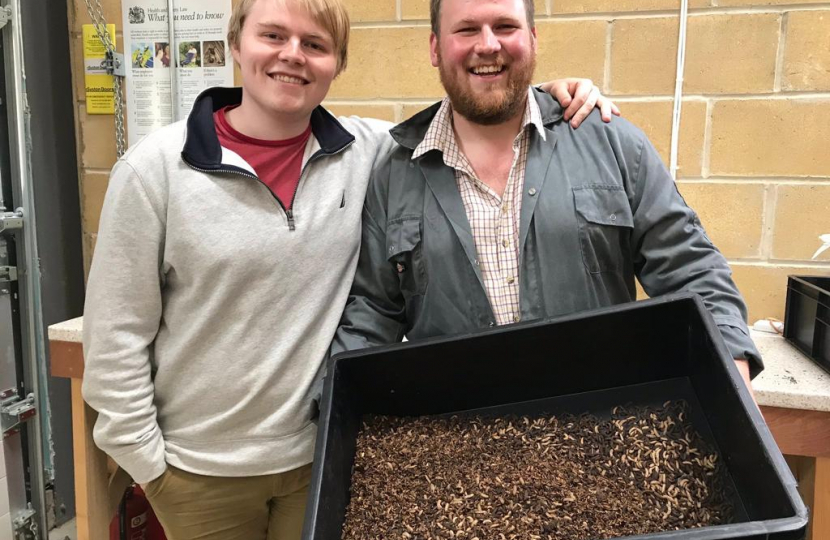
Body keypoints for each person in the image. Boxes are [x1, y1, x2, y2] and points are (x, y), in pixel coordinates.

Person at [81, 0, 618, 538]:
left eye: (315, 44)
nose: (293, 56)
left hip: (323, 455)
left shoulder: (373, 152)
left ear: (337, 63)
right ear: (236, 44)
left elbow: (472, 111)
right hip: (199, 473)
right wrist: (149, 465)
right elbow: (115, 335)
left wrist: (548, 94)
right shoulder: (154, 172)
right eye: (273, 36)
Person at [334, 0, 762, 393]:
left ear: (533, 39)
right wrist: (336, 402)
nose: (488, 44)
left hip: (605, 428)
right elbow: (373, 312)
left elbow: (691, 268)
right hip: (462, 445)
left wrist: (731, 370)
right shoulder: (394, 174)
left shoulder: (611, 144)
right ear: (435, 47)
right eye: (466, 30)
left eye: (505, 26)